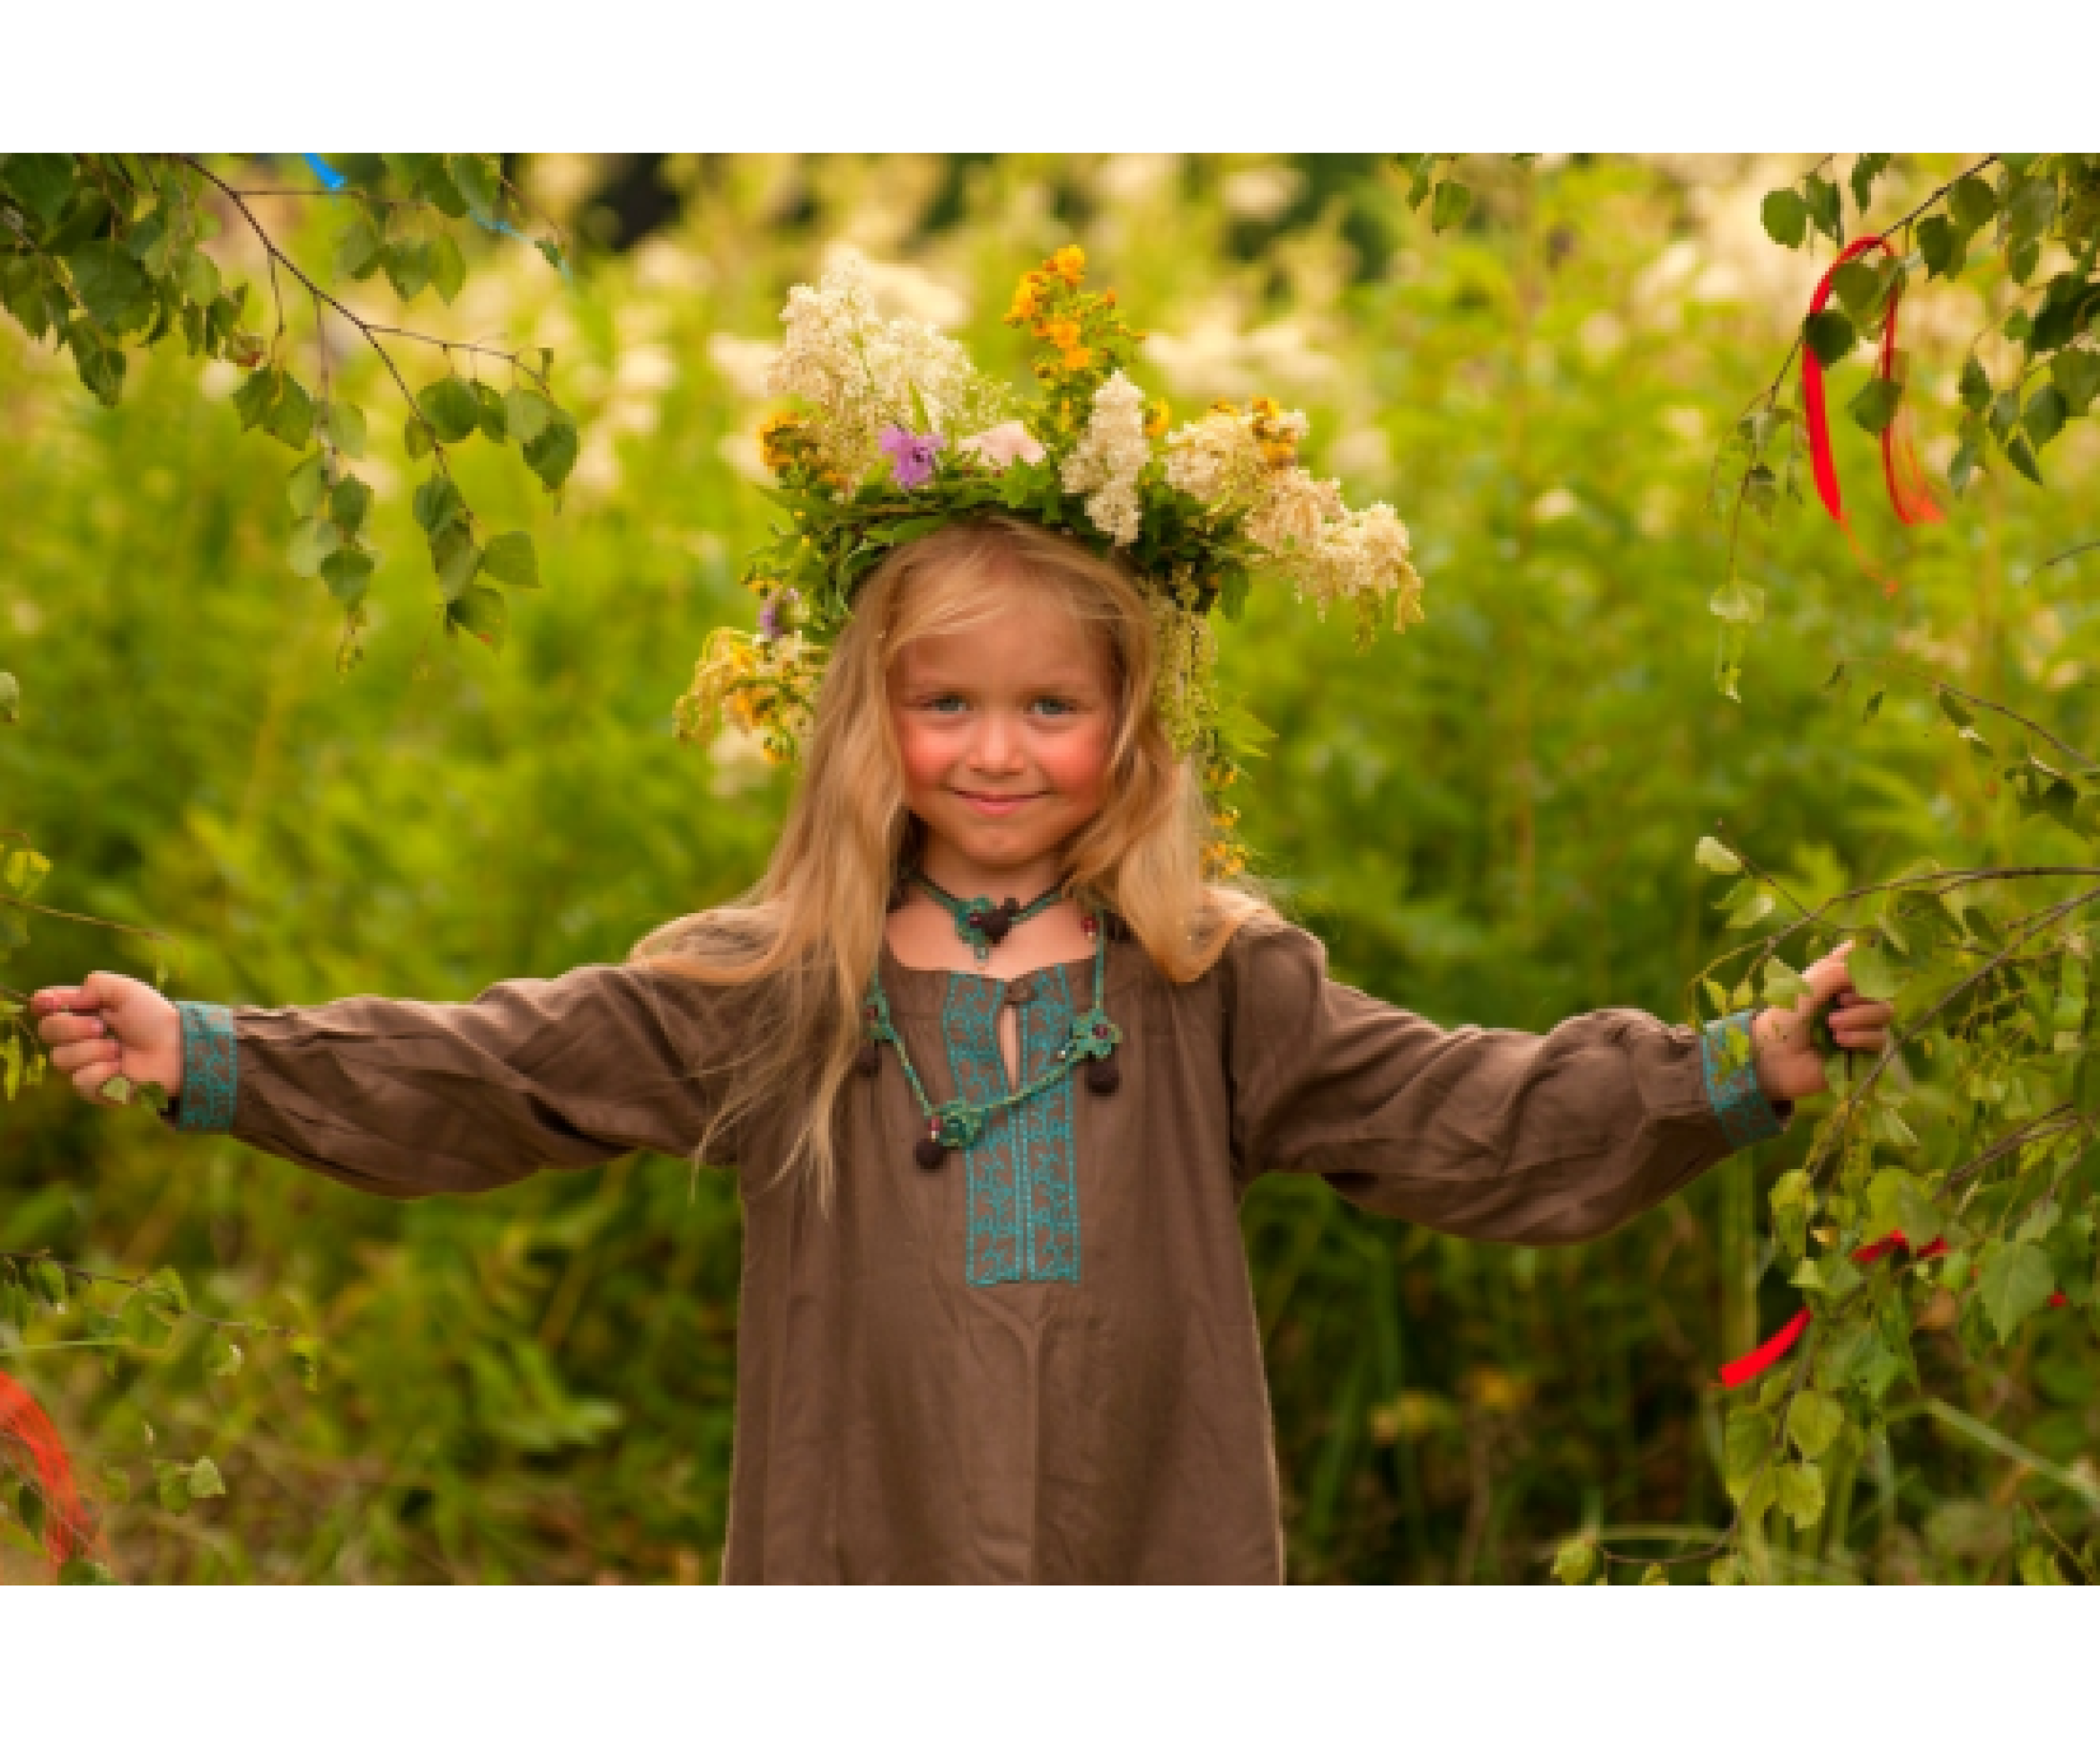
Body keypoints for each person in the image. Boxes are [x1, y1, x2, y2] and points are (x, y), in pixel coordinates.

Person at [32, 252, 1893, 1585]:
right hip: (868, 1528)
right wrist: (211, 1053)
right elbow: (500, 1068)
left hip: (1142, 1530)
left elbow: (1468, 1115)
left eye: (1049, 708)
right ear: (872, 723)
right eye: (946, 706)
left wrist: (1740, 1065)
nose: (996, 753)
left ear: (1127, 727)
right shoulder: (774, 986)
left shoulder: (1212, 981)